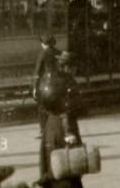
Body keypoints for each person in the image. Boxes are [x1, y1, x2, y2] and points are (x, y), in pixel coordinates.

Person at [37, 49, 84, 188]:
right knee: (68, 168)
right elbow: (66, 109)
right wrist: (69, 132)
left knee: (53, 166)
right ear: (67, 67)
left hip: (50, 128)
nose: (75, 70)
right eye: (74, 67)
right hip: (64, 128)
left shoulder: (49, 79)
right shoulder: (68, 82)